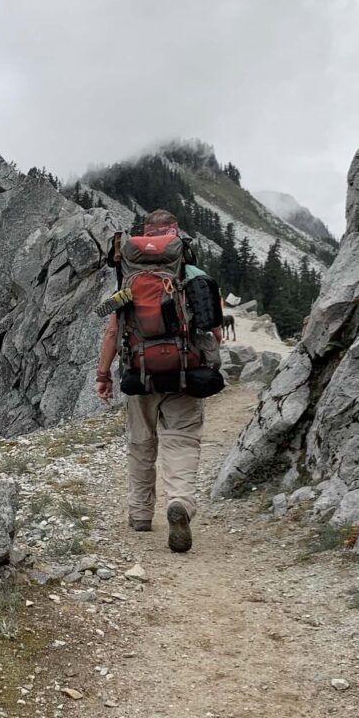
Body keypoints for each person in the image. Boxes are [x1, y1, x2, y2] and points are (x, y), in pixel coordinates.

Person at [94, 209, 221, 553]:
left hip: (139, 374)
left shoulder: (128, 280)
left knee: (141, 444)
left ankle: (139, 515)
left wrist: (103, 375)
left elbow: (112, 331)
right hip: (184, 371)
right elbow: (214, 328)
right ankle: (179, 502)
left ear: (144, 236)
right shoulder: (192, 274)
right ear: (175, 236)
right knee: (181, 443)